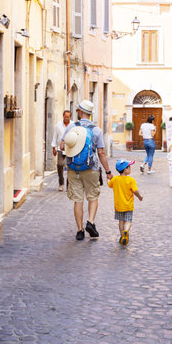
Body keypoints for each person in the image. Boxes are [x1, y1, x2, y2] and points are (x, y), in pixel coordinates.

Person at [60, 99, 113, 241]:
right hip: (91, 168)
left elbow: (61, 146)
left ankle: (79, 230)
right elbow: (101, 152)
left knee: (78, 200)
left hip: (73, 169)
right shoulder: (96, 130)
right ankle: (90, 221)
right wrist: (108, 172)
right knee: (93, 197)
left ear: (80, 112)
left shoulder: (71, 127)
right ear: (89, 114)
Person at [108, 159, 143, 246]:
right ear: (125, 169)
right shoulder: (131, 180)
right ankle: (126, 231)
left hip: (119, 205)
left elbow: (109, 184)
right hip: (128, 205)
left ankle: (122, 236)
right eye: (129, 167)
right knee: (128, 221)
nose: (130, 168)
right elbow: (135, 191)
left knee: (121, 221)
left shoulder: (115, 179)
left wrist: (108, 178)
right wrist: (139, 197)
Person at [51, 110, 73, 191]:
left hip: (71, 149)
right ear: (63, 116)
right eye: (65, 116)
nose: (66, 118)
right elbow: (55, 137)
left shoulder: (73, 125)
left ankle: (69, 184)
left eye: (68, 117)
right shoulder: (58, 125)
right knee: (60, 165)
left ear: (70, 117)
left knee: (70, 167)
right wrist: (54, 148)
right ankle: (61, 182)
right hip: (61, 149)